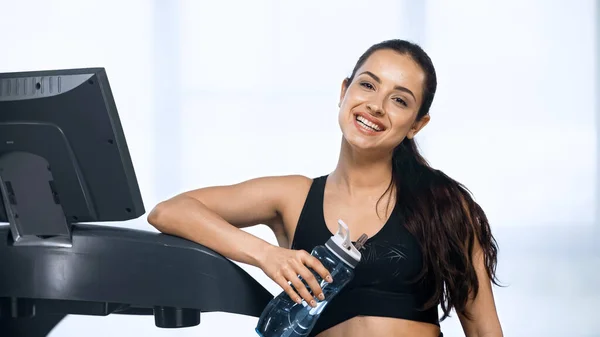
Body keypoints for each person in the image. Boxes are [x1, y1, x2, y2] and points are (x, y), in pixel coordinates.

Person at [147, 39, 503, 337]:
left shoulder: (445, 206)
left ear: (417, 124)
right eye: (367, 84)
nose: (376, 106)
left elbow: (485, 331)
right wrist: (268, 256)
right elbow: (169, 212)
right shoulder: (292, 197)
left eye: (400, 100)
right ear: (344, 91)